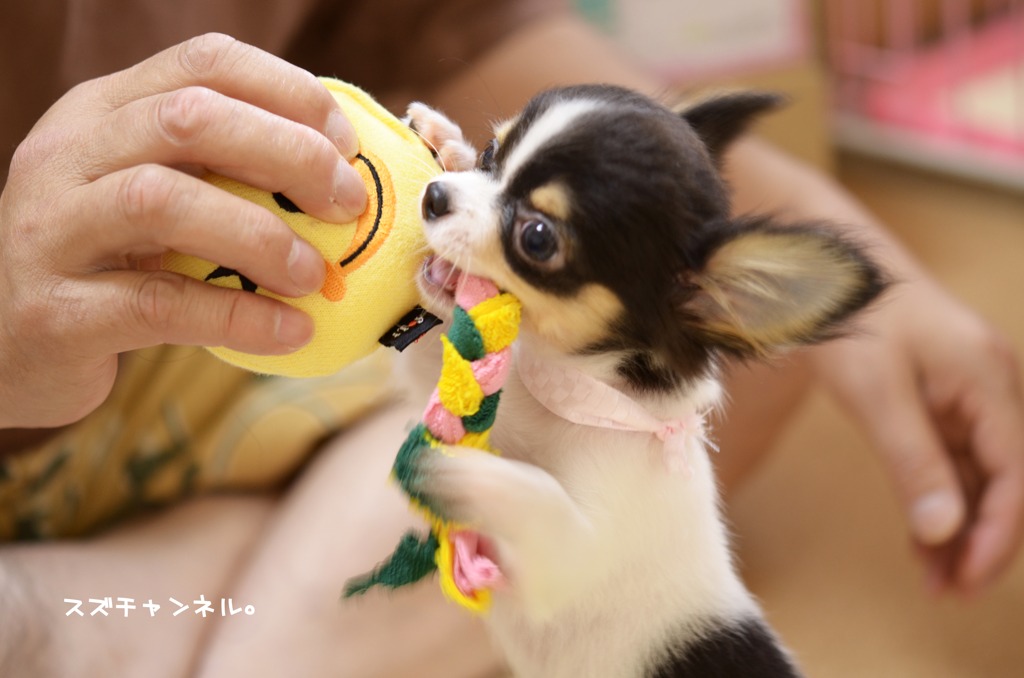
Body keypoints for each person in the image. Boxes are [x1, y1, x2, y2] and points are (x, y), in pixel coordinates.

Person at [0, 1, 1021, 676]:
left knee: (741, 393)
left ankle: (78, 621)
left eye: (528, 228)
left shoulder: (653, 391)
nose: (458, 188)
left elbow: (438, 18)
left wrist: (846, 239)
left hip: (190, 360)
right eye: (493, 160)